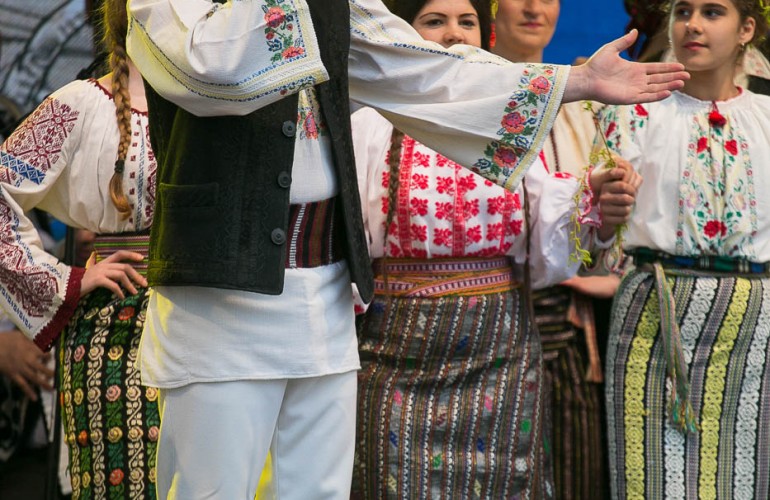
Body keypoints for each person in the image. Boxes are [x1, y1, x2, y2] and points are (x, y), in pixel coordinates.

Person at [125, 0, 687, 497]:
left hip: (324, 294)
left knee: (317, 491)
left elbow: (423, 68)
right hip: (223, 294)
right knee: (212, 489)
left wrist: (576, 80)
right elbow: (211, 68)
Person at [350, 1, 640, 497]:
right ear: (401, 39)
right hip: (397, 356)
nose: (453, 35)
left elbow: (547, 226)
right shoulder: (370, 124)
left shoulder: (511, 128)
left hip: (501, 356)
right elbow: (347, 238)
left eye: (466, 22)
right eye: (434, 21)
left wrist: (594, 198)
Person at [599, 0, 770, 497]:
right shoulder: (631, 114)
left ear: (746, 29)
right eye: (683, 12)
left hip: (750, 326)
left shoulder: (766, 118)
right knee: (648, 481)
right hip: (654, 313)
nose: (692, 25)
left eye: (712, 12)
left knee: (741, 478)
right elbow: (598, 235)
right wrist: (605, 207)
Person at [0, 0, 159, 497]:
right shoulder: (81, 103)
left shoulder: (212, 104)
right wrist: (67, 279)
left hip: (209, 322)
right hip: (117, 327)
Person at [490, 1, 623, 497]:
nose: (533, 8)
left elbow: (609, 224)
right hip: (488, 309)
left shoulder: (586, 107)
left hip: (570, 318)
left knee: (573, 473)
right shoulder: (472, 103)